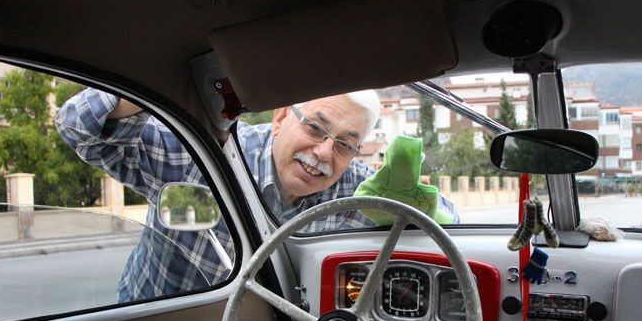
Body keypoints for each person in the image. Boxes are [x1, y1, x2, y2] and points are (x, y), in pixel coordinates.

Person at [56, 88, 458, 302]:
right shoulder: (202, 153)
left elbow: (446, 223)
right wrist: (165, 92)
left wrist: (417, 205)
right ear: (281, 117)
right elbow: (77, 126)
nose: (324, 153)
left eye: (345, 144)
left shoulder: (358, 190)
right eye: (315, 128)